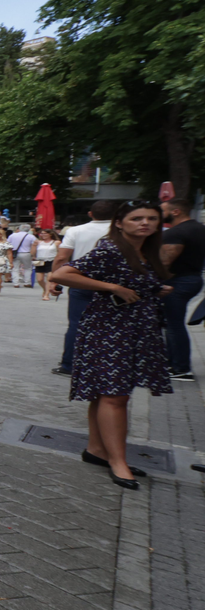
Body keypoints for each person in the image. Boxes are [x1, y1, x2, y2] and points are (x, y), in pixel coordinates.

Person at [50, 200, 172, 490]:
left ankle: (97, 450)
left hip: (133, 330)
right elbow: (60, 274)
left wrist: (156, 288)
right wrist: (113, 287)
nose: (145, 223)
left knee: (106, 394)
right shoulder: (111, 249)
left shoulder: (145, 251)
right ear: (119, 222)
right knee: (115, 397)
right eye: (137, 218)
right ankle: (118, 461)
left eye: (152, 218)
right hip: (110, 331)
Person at [52, 200, 117, 376]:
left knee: (77, 324)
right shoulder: (121, 230)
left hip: (81, 281)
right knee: (112, 325)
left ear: (90, 214)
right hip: (114, 285)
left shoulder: (75, 230)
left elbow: (61, 258)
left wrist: (54, 281)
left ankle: (70, 365)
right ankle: (106, 363)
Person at [160, 200, 205, 381]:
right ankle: (174, 365)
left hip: (177, 281)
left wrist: (155, 283)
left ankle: (181, 368)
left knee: (174, 325)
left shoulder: (175, 233)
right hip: (194, 278)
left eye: (162, 211)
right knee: (173, 324)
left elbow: (164, 263)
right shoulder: (199, 228)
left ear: (176, 212)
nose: (159, 214)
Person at [35, 228, 61, 301]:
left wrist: (59, 261)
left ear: (50, 234)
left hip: (51, 260)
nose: (43, 235)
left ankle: (46, 294)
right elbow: (33, 252)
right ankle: (45, 288)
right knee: (39, 279)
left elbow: (60, 252)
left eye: (45, 233)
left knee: (49, 278)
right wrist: (34, 246)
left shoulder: (56, 242)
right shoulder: (39, 242)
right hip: (40, 260)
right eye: (42, 233)